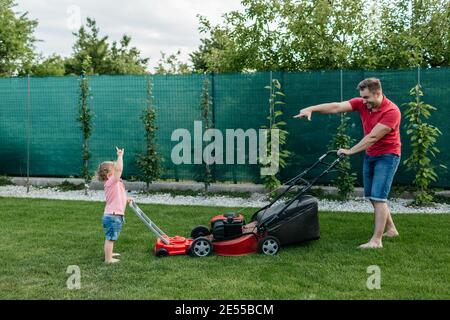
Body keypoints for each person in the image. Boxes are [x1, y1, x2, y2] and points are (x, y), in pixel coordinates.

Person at [294, 77, 401, 249]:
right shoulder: (362, 103)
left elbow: (373, 137)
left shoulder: (392, 111)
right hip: (371, 154)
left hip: (388, 156)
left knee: (379, 198)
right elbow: (336, 106)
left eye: (367, 98)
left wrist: (350, 151)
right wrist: (311, 109)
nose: (363, 101)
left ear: (378, 93)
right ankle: (391, 229)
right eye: (362, 97)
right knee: (373, 197)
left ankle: (376, 240)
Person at [96, 147, 132, 263]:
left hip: (114, 215)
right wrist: (120, 156)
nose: (118, 171)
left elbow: (117, 196)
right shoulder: (111, 182)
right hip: (113, 216)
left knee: (112, 237)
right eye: (115, 169)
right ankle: (108, 259)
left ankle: (109, 253)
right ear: (109, 175)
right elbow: (119, 170)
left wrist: (126, 199)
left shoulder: (114, 183)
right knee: (110, 238)